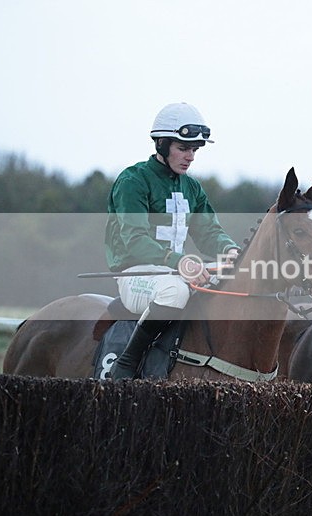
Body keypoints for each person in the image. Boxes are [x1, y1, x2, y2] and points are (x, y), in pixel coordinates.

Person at [105, 102, 240, 380]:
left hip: (175, 270)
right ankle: (126, 364)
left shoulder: (192, 187)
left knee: (228, 287)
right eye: (183, 148)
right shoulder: (133, 180)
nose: (190, 157)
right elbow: (134, 240)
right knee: (174, 293)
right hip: (137, 273)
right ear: (162, 144)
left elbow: (209, 232)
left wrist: (229, 249)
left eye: (194, 150)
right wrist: (179, 261)